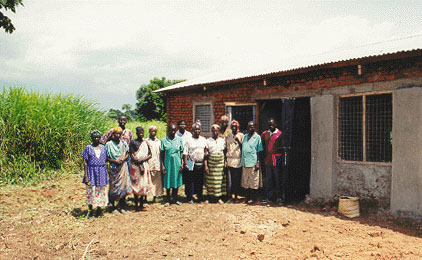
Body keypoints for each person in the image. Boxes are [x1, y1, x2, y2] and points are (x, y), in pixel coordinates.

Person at [81, 130, 109, 218]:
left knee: (101, 190)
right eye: (94, 137)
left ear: (100, 138)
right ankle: (90, 211)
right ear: (91, 138)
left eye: (98, 137)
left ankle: (99, 210)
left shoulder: (104, 148)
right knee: (91, 190)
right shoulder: (88, 148)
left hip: (101, 171)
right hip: (91, 171)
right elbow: (85, 162)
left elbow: (106, 161)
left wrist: (106, 173)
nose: (96, 139)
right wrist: (86, 176)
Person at [106, 127, 132, 214]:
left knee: (123, 186)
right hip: (113, 168)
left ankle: (122, 206)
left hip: (123, 167)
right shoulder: (109, 144)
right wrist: (115, 161)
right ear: (113, 135)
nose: (118, 135)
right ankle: (113, 206)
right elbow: (106, 157)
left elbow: (128, 153)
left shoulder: (124, 143)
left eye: (119, 134)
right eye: (116, 134)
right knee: (114, 187)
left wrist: (123, 159)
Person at [129, 126, 152, 211]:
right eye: (139, 132)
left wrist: (142, 160)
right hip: (135, 166)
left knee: (143, 184)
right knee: (136, 184)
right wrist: (137, 161)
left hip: (144, 165)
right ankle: (136, 204)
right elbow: (131, 154)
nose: (141, 134)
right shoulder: (133, 142)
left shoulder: (146, 143)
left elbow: (150, 154)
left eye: (142, 132)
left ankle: (141, 204)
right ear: (136, 133)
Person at [183, 123, 207, 203]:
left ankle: (199, 197)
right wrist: (186, 163)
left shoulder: (203, 139)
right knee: (190, 180)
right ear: (192, 131)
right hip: (190, 162)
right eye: (195, 129)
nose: (197, 131)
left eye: (198, 129)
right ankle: (190, 197)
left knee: (199, 180)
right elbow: (185, 153)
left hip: (200, 162)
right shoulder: (188, 140)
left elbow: (205, 150)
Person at [161, 123, 184, 205]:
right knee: (168, 180)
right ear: (168, 130)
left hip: (177, 163)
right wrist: (162, 165)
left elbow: (181, 152)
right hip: (168, 163)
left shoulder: (179, 140)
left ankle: (175, 198)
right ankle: (167, 199)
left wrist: (182, 163)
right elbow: (162, 154)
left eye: (174, 130)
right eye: (171, 130)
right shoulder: (164, 140)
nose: (173, 132)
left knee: (176, 179)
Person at [241, 121, 263, 204]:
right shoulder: (245, 136)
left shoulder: (257, 137)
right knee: (246, 181)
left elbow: (259, 151)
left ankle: (253, 198)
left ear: (255, 127)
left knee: (254, 182)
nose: (251, 128)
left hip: (253, 162)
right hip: (245, 162)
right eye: (250, 127)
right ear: (247, 128)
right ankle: (247, 198)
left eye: (253, 126)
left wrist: (258, 162)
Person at [261, 118, 282, 203]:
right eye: (269, 124)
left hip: (276, 158)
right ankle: (268, 197)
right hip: (268, 159)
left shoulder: (280, 134)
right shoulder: (265, 134)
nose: (271, 126)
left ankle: (278, 197)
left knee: (277, 178)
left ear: (275, 124)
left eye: (272, 124)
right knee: (269, 179)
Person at [204, 124, 227, 204]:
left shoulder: (222, 140)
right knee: (211, 180)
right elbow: (205, 153)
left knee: (219, 180)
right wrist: (206, 166)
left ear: (219, 131)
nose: (215, 132)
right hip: (211, 162)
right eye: (213, 130)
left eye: (216, 130)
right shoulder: (208, 141)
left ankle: (218, 198)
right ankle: (210, 197)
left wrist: (225, 162)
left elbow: (225, 152)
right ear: (211, 131)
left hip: (220, 162)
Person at [225, 120, 244, 203]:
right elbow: (226, 148)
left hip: (238, 160)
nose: (234, 128)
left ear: (238, 127)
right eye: (232, 126)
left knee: (237, 180)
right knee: (230, 180)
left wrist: (238, 141)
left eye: (235, 127)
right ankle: (230, 196)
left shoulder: (241, 135)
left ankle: (236, 196)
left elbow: (243, 147)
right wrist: (225, 160)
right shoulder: (228, 136)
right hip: (230, 160)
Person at [176, 119, 192, 200]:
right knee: (178, 176)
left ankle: (189, 196)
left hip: (188, 158)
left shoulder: (189, 134)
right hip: (178, 158)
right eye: (181, 124)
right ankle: (175, 196)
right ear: (178, 126)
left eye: (184, 124)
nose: (183, 126)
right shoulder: (175, 135)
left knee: (189, 177)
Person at [147, 125, 163, 202]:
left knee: (157, 181)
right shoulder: (146, 141)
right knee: (149, 180)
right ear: (149, 132)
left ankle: (156, 196)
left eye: (155, 131)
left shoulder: (159, 142)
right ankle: (148, 196)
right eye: (152, 131)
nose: (153, 133)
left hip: (157, 163)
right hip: (149, 164)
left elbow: (161, 153)